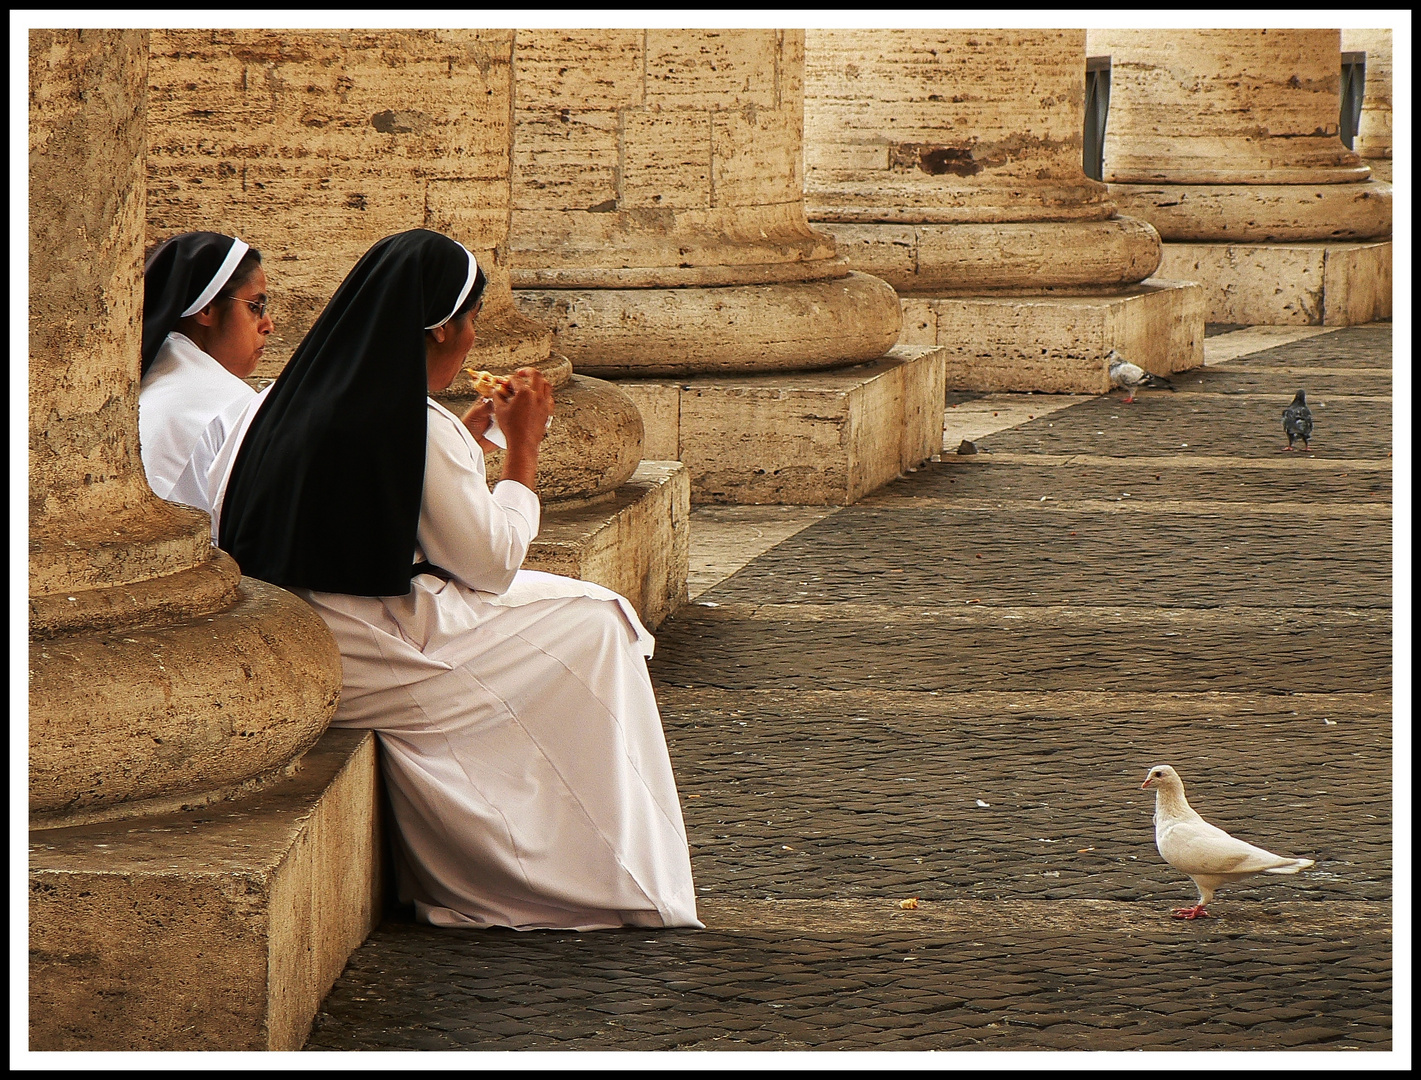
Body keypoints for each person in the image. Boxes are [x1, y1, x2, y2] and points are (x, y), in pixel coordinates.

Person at [212, 229, 701, 931]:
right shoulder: (416, 426)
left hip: (304, 621)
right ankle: (585, 867)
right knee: (598, 621)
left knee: (588, 605)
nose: (473, 340)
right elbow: (490, 560)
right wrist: (522, 451)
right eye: (471, 323)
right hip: (379, 644)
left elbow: (379, 508)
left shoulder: (274, 403)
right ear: (441, 327)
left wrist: (470, 443)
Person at [138, 231, 272, 514]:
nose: (267, 325)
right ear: (207, 307)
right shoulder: (232, 404)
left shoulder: (142, 374)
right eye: (254, 307)